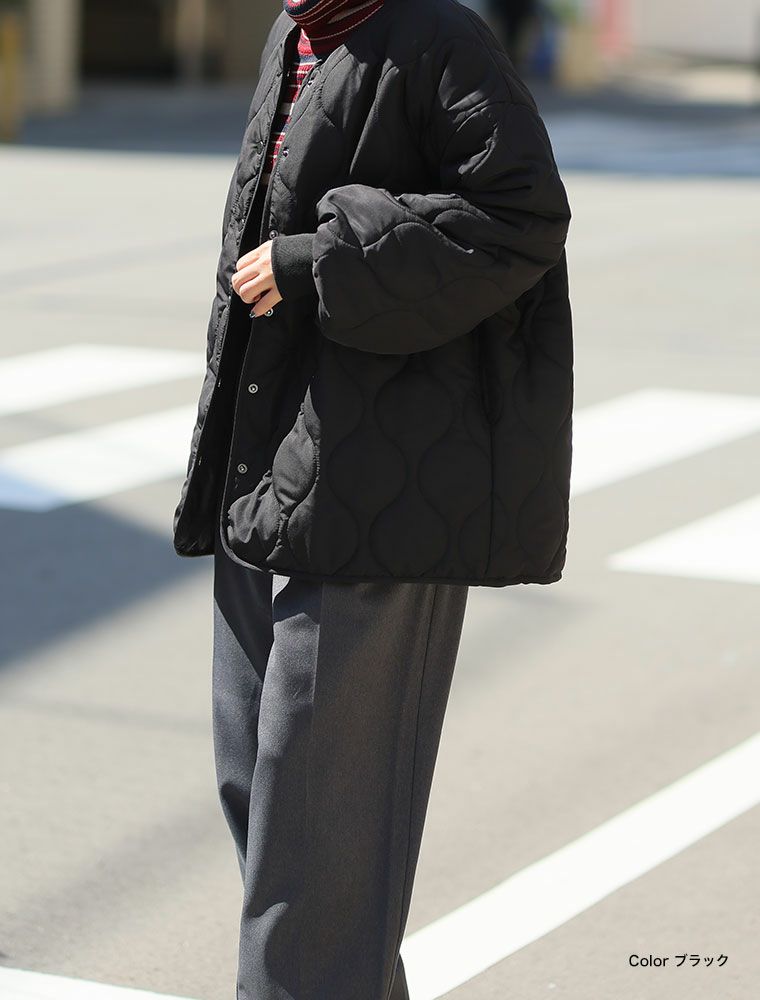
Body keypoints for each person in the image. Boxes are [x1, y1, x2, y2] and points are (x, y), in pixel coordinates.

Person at [172, 0, 573, 996]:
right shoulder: (295, 31)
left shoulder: (440, 38)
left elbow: (523, 216)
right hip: (265, 464)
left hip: (383, 486)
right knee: (268, 801)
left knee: (319, 831)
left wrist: (322, 258)